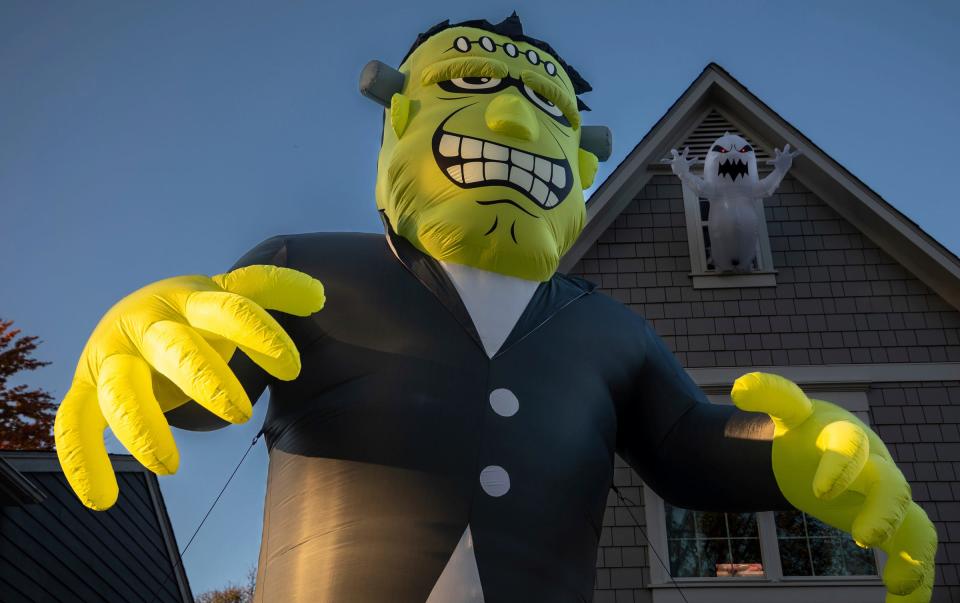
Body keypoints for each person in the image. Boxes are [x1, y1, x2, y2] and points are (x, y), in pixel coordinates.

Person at [54, 14, 936, 603]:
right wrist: (151, 333)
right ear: (397, 110)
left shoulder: (607, 328)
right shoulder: (307, 272)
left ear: (584, 163)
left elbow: (692, 448)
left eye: (549, 106)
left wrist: (804, 448)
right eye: (470, 82)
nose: (515, 124)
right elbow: (214, 366)